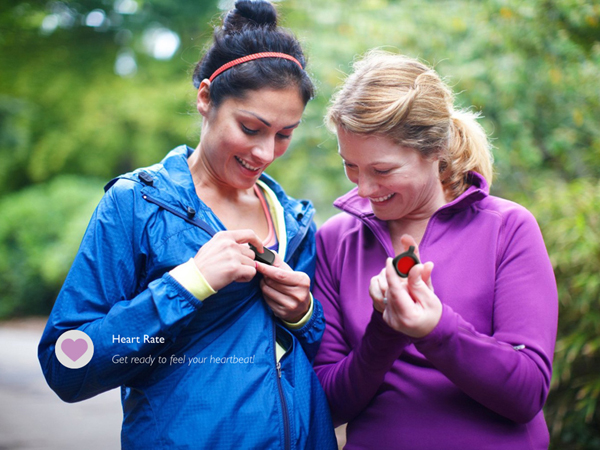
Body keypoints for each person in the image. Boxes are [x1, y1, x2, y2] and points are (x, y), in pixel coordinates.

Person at [38, 2, 337, 448]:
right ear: (205, 98)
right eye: (251, 127)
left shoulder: (294, 222)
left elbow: (324, 359)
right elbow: (68, 362)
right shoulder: (136, 204)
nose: (266, 152)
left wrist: (304, 315)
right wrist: (189, 284)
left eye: (284, 134)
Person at [313, 50, 558, 449]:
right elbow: (327, 403)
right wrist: (384, 331)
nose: (362, 190)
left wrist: (436, 329)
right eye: (350, 166)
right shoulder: (337, 240)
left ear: (435, 151)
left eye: (383, 170)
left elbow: (527, 392)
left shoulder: (507, 228)